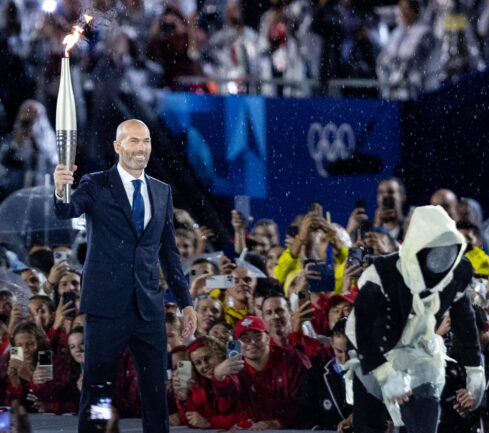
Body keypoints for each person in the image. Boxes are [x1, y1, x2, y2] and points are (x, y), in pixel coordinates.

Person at [53, 118, 196, 433]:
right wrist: (61, 188)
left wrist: (186, 303)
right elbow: (67, 210)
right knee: (98, 390)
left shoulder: (161, 191)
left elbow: (169, 253)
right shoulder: (96, 183)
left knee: (156, 391)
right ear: (118, 146)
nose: (141, 148)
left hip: (149, 309)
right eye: (133, 141)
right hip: (105, 307)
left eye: (145, 141)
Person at [348, 205, 483, 433]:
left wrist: (475, 370)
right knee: (369, 423)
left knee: (424, 421)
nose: (442, 260)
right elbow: (358, 327)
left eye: (447, 251)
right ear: (417, 247)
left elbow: (465, 321)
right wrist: (385, 373)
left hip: (421, 354)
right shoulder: (382, 273)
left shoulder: (458, 273)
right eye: (435, 252)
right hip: (374, 351)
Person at [212, 315, 306, 429]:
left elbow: (306, 402)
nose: (252, 342)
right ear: (237, 344)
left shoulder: (292, 360)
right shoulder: (234, 366)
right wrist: (218, 376)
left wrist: (277, 423)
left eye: (257, 336)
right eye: (245, 339)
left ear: (267, 338)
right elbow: (228, 402)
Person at [299, 318, 353, 431]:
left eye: (349, 352)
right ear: (332, 343)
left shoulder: (373, 374)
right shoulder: (315, 377)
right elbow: (307, 417)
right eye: (339, 351)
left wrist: (357, 418)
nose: (344, 359)